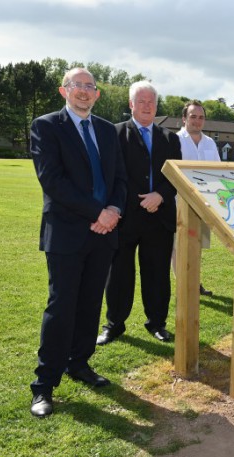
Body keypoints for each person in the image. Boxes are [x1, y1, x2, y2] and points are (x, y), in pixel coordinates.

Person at [29, 67, 127, 417]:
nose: (84, 91)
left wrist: (113, 209)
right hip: (68, 234)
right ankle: (44, 386)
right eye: (77, 86)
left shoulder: (105, 129)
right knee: (61, 307)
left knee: (89, 304)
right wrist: (97, 213)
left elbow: (119, 177)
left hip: (104, 233)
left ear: (97, 94)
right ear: (63, 91)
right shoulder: (46, 126)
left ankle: (79, 363)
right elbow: (52, 180)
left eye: (90, 86)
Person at [97, 81, 182, 345]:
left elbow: (177, 177)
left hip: (159, 217)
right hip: (124, 218)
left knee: (157, 274)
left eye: (151, 102)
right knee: (119, 274)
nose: (147, 106)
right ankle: (114, 324)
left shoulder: (170, 138)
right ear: (131, 105)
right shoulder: (114, 133)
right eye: (141, 101)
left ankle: (157, 323)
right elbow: (110, 175)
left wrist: (161, 196)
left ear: (156, 106)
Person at [174, 100, 219, 296]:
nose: (197, 121)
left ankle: (195, 282)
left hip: (204, 204)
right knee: (179, 247)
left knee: (197, 246)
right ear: (184, 118)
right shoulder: (174, 140)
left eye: (201, 117)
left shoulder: (210, 143)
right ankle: (184, 284)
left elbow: (217, 172)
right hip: (179, 204)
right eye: (193, 116)